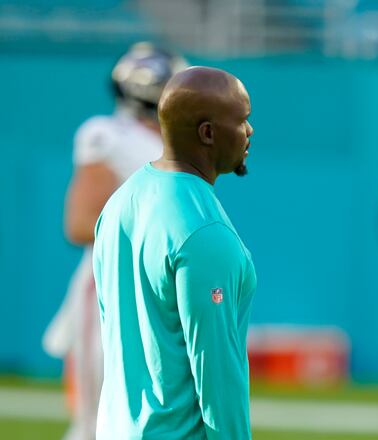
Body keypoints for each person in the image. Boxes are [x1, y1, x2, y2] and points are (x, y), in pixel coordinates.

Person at [92, 66, 256, 439]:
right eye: (242, 120)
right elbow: (216, 373)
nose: (249, 131)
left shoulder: (120, 202)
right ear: (208, 133)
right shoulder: (203, 232)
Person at [42, 42, 187, 440]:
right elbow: (80, 224)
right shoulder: (108, 135)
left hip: (161, 289)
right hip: (113, 283)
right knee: (101, 419)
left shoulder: (176, 144)